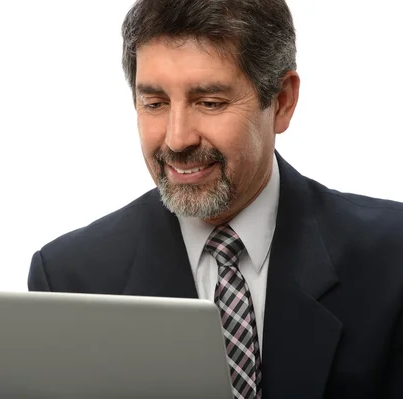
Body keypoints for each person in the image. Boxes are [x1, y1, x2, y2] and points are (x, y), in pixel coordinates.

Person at [27, 0, 403, 397]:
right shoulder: (68, 280)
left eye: (209, 103)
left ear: (282, 101)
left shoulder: (393, 259)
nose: (176, 139)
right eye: (154, 104)